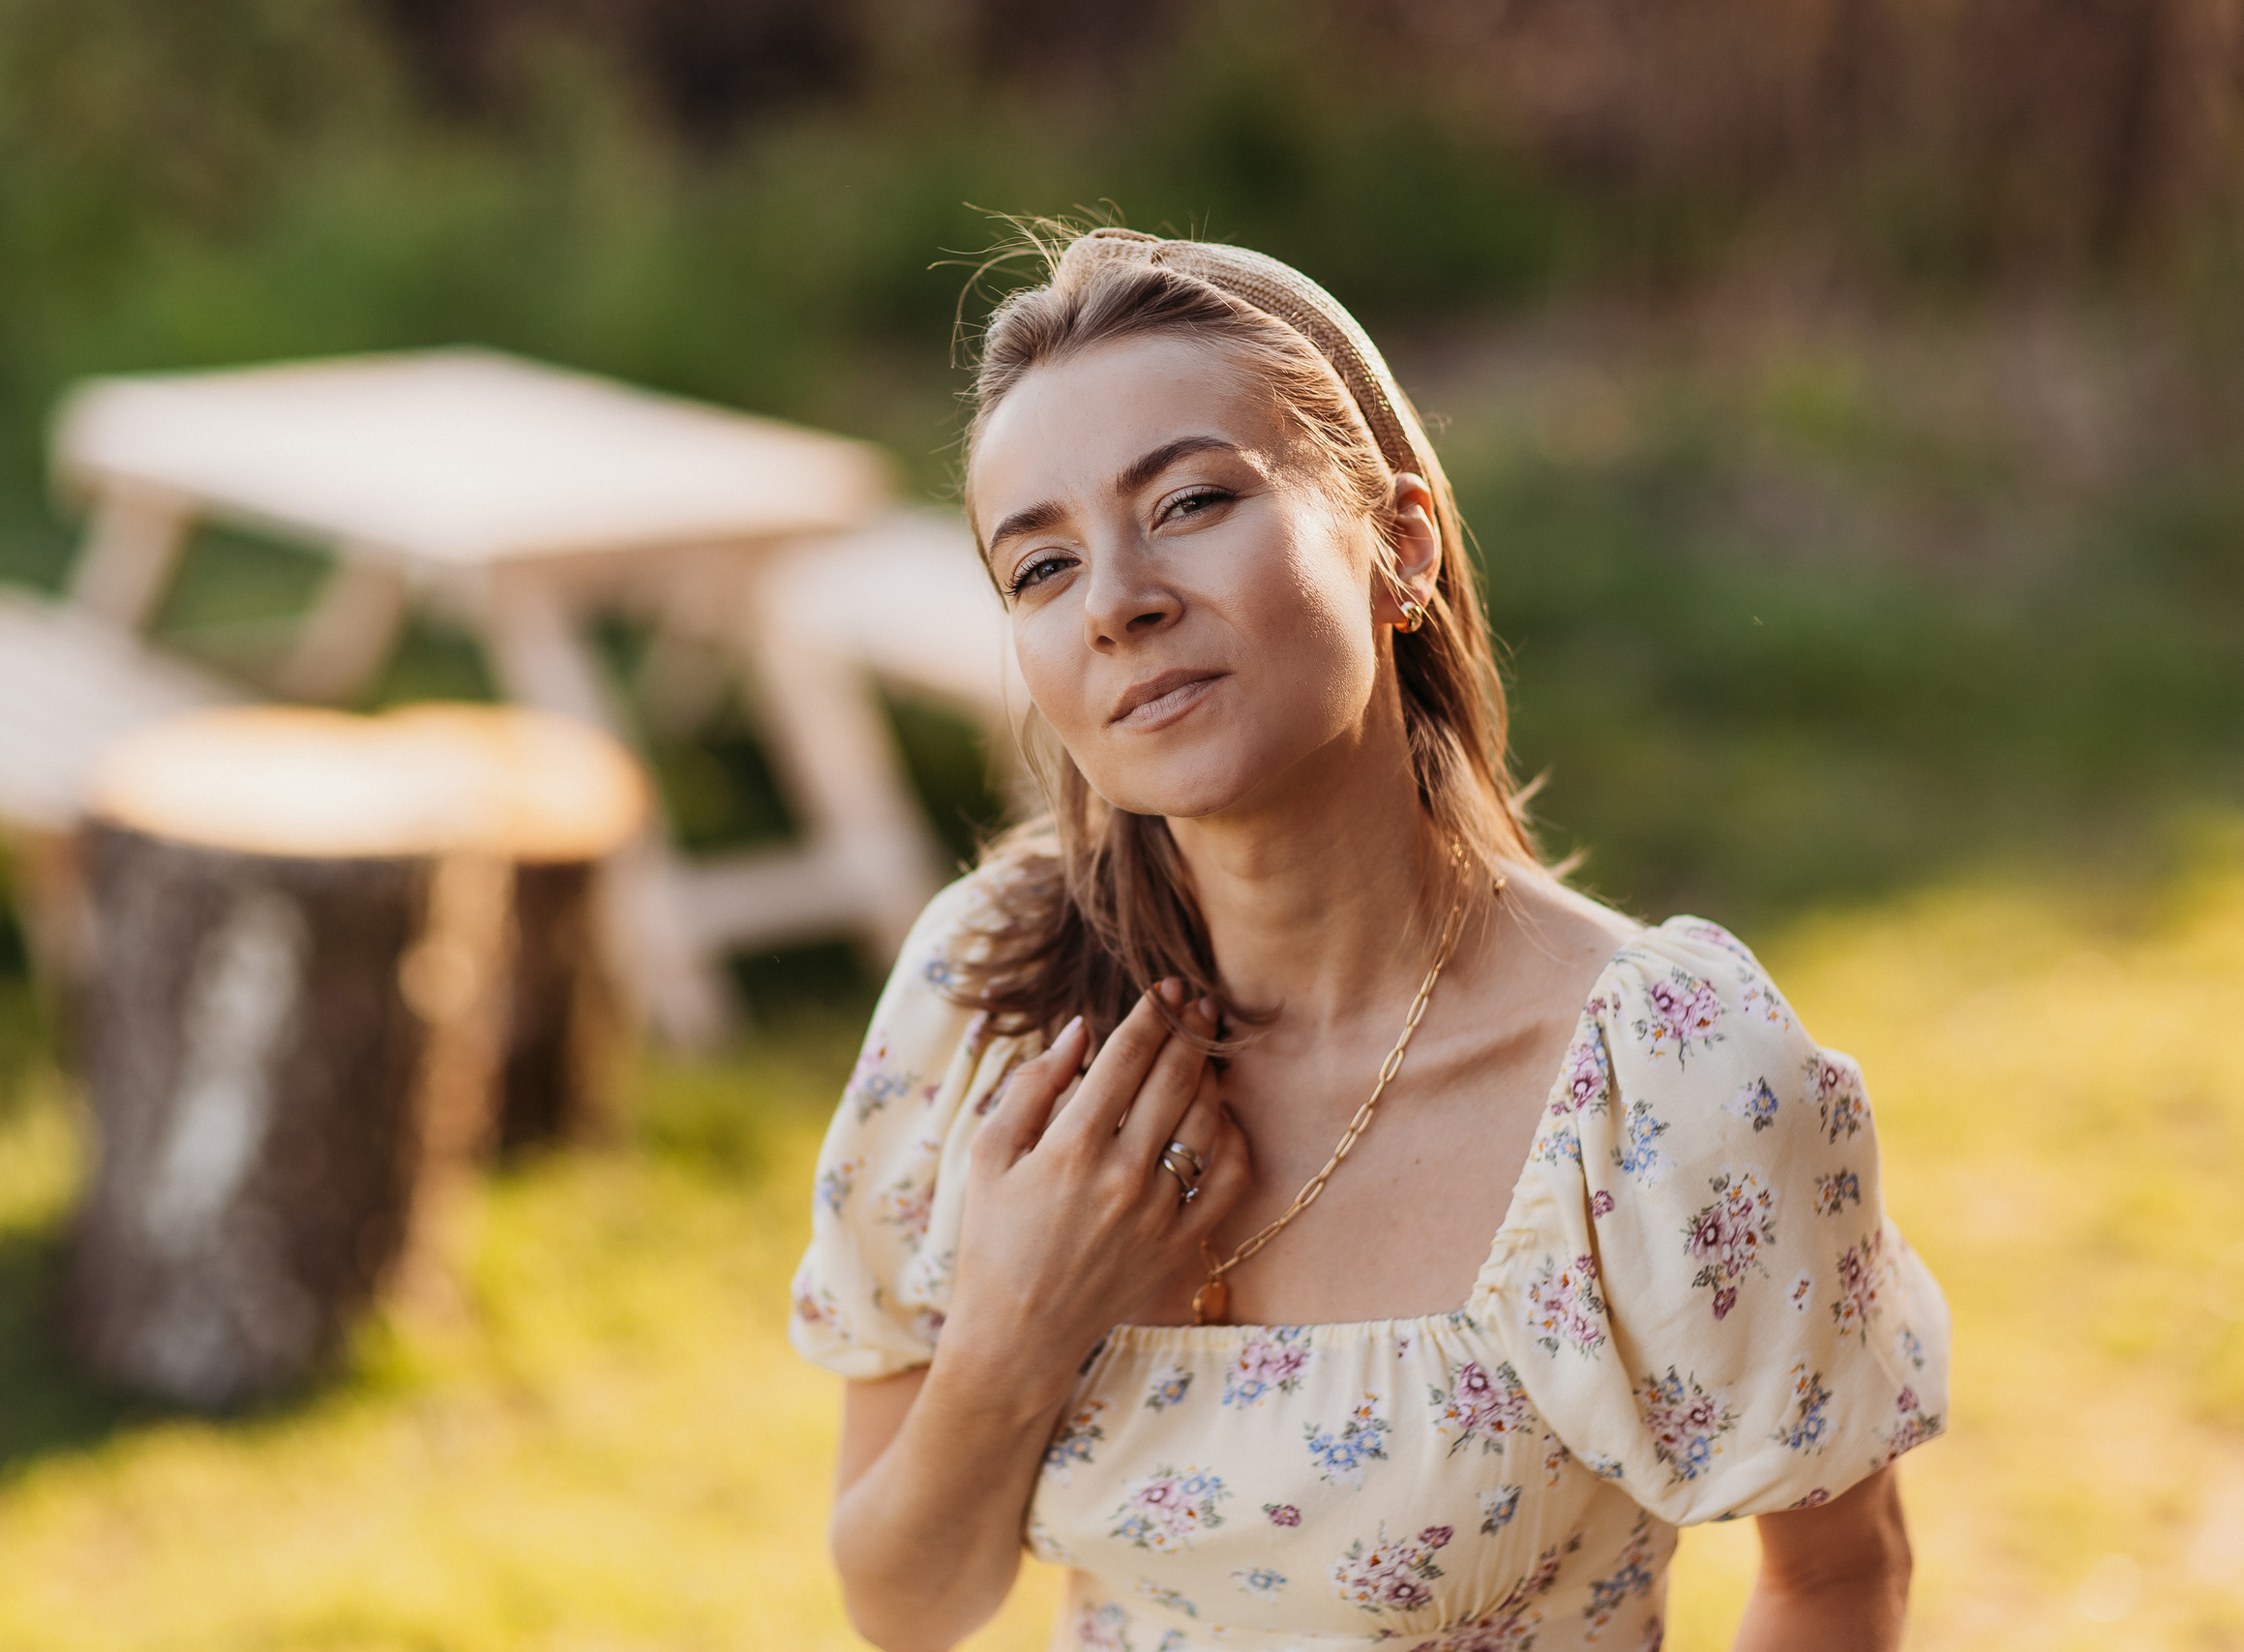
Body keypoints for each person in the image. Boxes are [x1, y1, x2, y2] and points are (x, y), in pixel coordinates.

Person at [789, 224, 1948, 1652]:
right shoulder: (990, 1004)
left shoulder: (1670, 1081)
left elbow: (1837, 1577)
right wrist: (1013, 1337)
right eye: (1038, 569)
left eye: (1193, 499)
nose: (1117, 601)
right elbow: (901, 1606)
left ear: (1399, 544)